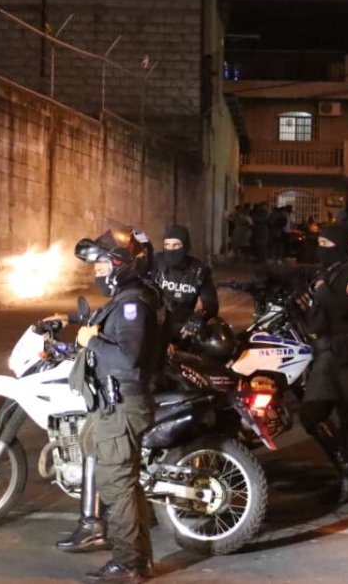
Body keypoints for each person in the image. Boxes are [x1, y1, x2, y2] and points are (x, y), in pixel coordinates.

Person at [63, 229, 159, 582]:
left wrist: (92, 343)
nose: (97, 272)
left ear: (119, 264)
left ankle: (128, 564)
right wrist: (75, 325)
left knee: (117, 487)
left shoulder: (133, 305)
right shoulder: (125, 299)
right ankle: (140, 560)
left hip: (122, 406)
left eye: (102, 264)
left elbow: (128, 359)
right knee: (126, 485)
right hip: (116, 405)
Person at [300, 223, 348, 504]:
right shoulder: (328, 272)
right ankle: (345, 462)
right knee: (311, 414)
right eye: (319, 243)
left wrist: (320, 290)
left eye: (326, 244)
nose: (322, 250)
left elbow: (340, 307)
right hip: (326, 353)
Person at [152, 225, 218, 351]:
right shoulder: (156, 264)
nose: (171, 250)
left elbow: (211, 303)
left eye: (176, 245)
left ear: (185, 246)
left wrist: (200, 315)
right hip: (156, 329)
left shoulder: (198, 270)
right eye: (167, 245)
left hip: (186, 330)